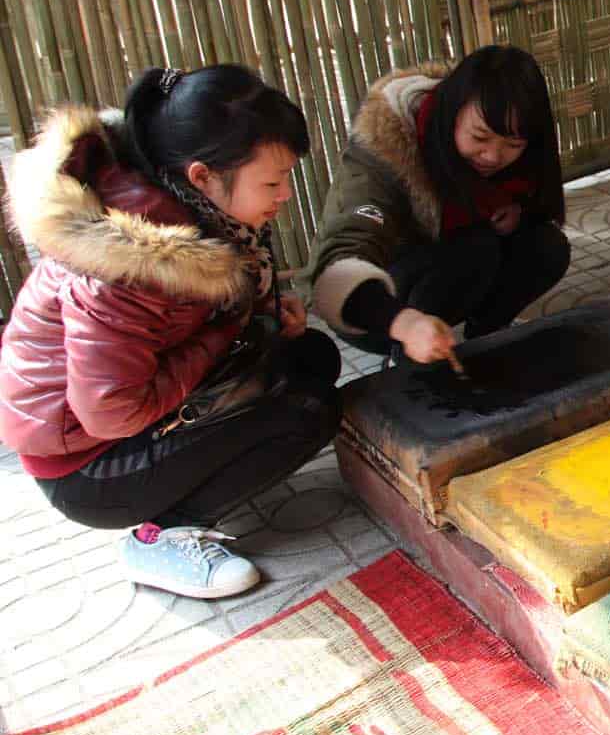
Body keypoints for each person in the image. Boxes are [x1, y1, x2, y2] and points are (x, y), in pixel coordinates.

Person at [0, 66, 343, 599]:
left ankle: (198, 476)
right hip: (86, 466)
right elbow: (112, 411)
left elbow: (203, 316)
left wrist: (260, 318)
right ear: (203, 175)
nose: (284, 196)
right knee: (308, 413)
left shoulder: (187, 206)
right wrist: (227, 332)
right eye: (272, 183)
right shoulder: (129, 264)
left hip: (118, 421)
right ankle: (158, 534)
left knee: (311, 358)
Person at [308, 46, 569, 364]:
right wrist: (403, 324)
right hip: (377, 308)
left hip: (448, 276)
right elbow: (340, 260)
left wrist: (517, 211)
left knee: (546, 246)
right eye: (479, 138)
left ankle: (486, 334)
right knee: (476, 247)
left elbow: (534, 206)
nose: (493, 157)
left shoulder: (515, 155)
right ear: (452, 112)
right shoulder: (383, 149)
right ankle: (406, 359)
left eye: (512, 145)